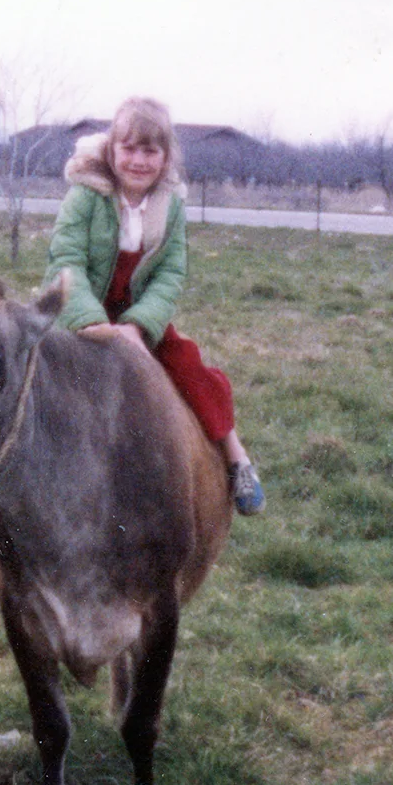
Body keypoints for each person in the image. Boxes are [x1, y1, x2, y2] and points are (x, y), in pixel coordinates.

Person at [47, 96, 264, 515]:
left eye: (151, 151)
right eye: (129, 148)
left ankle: (237, 459)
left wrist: (138, 326)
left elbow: (170, 275)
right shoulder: (85, 197)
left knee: (192, 369)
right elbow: (66, 260)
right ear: (112, 150)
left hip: (137, 319)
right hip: (78, 312)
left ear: (165, 157)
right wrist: (90, 321)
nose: (139, 161)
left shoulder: (171, 207)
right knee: (26, 378)